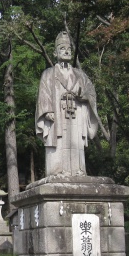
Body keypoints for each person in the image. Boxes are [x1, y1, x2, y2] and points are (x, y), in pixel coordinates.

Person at [36, 31, 99, 176]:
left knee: (76, 139)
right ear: (55, 52)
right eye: (62, 49)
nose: (66, 51)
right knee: (58, 139)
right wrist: (47, 111)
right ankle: (57, 170)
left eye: (69, 49)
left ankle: (78, 170)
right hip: (57, 114)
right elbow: (43, 94)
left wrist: (82, 95)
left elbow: (91, 91)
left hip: (77, 113)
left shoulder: (80, 75)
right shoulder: (48, 74)